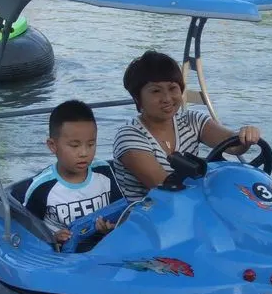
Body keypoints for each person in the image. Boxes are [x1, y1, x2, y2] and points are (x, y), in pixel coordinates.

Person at [112, 51, 261, 203]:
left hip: (191, 209)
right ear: (138, 97)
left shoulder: (191, 120)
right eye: (156, 91)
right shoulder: (129, 136)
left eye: (172, 88)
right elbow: (167, 187)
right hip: (147, 219)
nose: (167, 98)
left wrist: (245, 136)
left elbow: (233, 146)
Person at [24, 100, 123, 247]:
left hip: (103, 249)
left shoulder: (105, 171)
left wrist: (111, 226)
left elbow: (120, 210)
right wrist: (52, 238)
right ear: (53, 146)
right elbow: (27, 229)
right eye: (74, 145)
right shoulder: (42, 187)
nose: (84, 153)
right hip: (64, 257)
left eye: (91, 144)